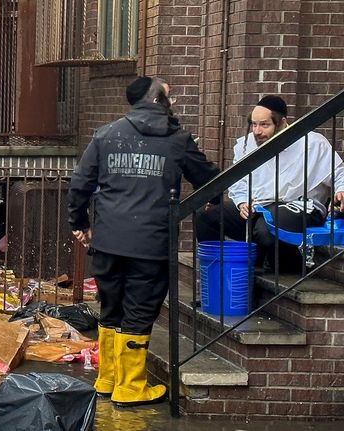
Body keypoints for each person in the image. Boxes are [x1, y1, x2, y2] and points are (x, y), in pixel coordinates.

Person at [67, 76, 219, 407]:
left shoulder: (106, 135)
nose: (173, 102)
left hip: (107, 241)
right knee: (139, 311)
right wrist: (214, 201)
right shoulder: (178, 140)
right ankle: (131, 387)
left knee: (111, 308)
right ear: (156, 99)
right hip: (151, 243)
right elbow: (210, 178)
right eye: (169, 96)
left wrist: (79, 224)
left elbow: (79, 184)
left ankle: (107, 379)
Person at [196, 95, 344, 272]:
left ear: (282, 122)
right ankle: (218, 276)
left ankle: (281, 267)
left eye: (264, 125)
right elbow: (238, 180)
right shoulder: (247, 143)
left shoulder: (313, 143)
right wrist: (242, 201)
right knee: (207, 218)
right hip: (257, 207)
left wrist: (341, 190)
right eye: (254, 124)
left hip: (301, 207)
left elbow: (339, 173)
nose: (257, 131)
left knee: (266, 228)